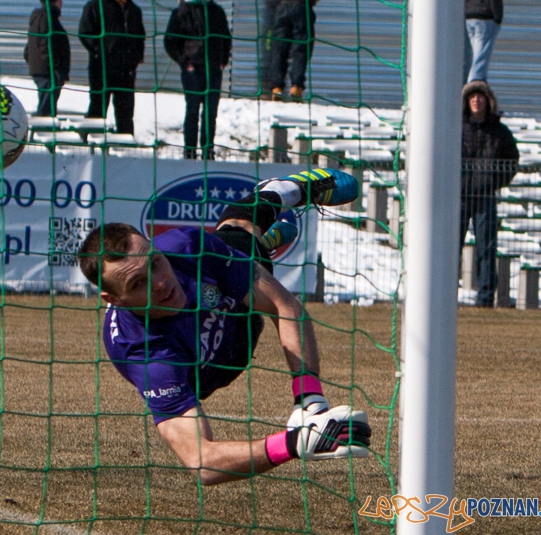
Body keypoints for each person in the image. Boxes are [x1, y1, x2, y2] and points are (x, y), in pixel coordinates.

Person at [77, 168, 371, 486]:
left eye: (155, 263)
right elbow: (202, 462)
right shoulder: (147, 355)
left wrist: (310, 401)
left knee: (239, 235)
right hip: (209, 371)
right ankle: (263, 242)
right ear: (113, 299)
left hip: (237, 313)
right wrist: (294, 444)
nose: (161, 283)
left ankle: (278, 192)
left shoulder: (186, 249)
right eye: (138, 283)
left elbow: (284, 306)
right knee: (244, 253)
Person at [460, 81, 519, 307]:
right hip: (460, 197)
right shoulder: (456, 126)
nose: (477, 100)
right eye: (472, 96)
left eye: (481, 96)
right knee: (451, 247)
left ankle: (485, 299)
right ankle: (445, 298)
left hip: (485, 198)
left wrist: (493, 183)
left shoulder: (499, 132)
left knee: (487, 248)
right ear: (467, 101)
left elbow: (511, 162)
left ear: (488, 101)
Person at [164, 0, 232, 161]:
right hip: (193, 69)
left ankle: (208, 151)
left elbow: (226, 38)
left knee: (210, 112)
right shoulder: (181, 12)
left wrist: (222, 61)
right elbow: (170, 41)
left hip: (214, 69)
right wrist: (185, 62)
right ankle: (189, 152)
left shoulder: (216, 11)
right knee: (192, 110)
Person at [78, 0, 146, 135]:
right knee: (98, 108)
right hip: (101, 69)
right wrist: (101, 53)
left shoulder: (134, 10)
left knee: (125, 112)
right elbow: (85, 32)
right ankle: (93, 144)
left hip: (126, 71)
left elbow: (140, 37)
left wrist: (135, 59)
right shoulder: (96, 6)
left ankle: (125, 146)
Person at [24, 0, 71, 117]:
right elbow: (45, 44)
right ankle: (41, 129)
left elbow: (32, 43)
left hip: (42, 68)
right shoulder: (47, 18)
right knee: (46, 109)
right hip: (47, 71)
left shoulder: (39, 17)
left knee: (48, 106)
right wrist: (55, 66)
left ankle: (45, 128)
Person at [268, 0, 318, 102]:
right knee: (301, 50)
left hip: (282, 6)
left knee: (279, 49)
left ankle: (277, 88)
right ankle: (296, 87)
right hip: (302, 6)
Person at [464, 0, 503, 83]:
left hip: (469, 15)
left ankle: (472, 82)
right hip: (485, 16)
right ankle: (475, 83)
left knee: (475, 55)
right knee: (481, 56)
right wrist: (498, 18)